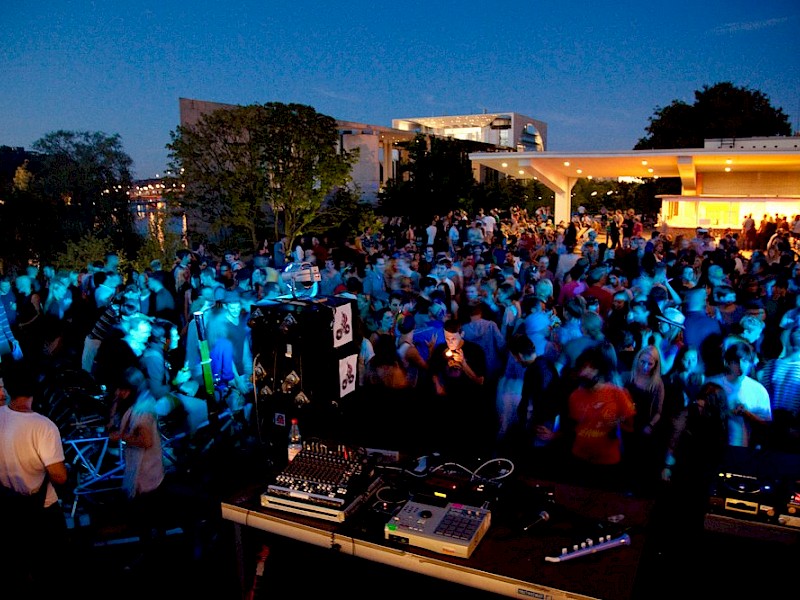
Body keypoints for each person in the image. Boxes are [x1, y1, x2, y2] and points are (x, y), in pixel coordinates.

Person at [0, 360, 69, 593]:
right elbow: (59, 477)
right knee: (50, 566)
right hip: (41, 509)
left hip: (8, 506)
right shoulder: (44, 427)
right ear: (34, 388)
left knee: (17, 563)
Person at [108, 366, 166, 570]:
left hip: (146, 474)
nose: (119, 393)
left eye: (122, 390)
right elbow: (112, 426)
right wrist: (115, 402)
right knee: (148, 520)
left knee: (147, 520)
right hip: (144, 473)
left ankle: (149, 557)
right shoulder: (136, 405)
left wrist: (121, 437)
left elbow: (146, 440)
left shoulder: (142, 412)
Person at [560, 343, 636, 491]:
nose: (584, 372)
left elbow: (630, 423)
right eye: (582, 368)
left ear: (599, 370)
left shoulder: (617, 394)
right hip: (580, 458)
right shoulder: (575, 396)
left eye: (589, 368)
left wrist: (616, 423)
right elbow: (571, 426)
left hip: (607, 461)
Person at [429, 318, 488, 460]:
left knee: (465, 439)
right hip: (447, 401)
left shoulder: (475, 351)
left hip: (468, 401)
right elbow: (433, 370)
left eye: (453, 338)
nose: (450, 342)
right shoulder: (440, 350)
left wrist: (464, 364)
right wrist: (437, 385)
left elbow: (480, 380)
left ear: (462, 334)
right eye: (447, 338)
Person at [707, 340, 772, 448]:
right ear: (727, 362)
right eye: (736, 361)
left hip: (746, 451)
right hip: (714, 448)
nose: (741, 365)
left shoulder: (758, 390)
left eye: (745, 361)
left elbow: (766, 425)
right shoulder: (712, 384)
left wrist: (746, 414)